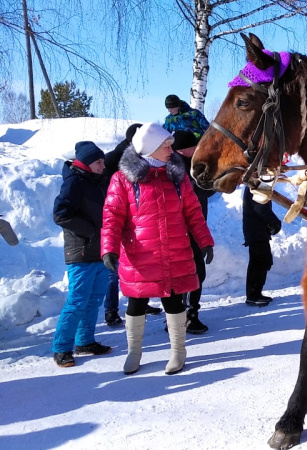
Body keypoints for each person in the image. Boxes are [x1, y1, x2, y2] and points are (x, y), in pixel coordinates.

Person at [101, 122, 215, 375]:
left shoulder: (177, 176)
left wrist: (205, 240)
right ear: (151, 148)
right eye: (165, 145)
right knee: (136, 304)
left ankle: (178, 352)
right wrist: (108, 248)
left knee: (174, 302)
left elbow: (193, 212)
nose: (170, 150)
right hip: (141, 255)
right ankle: (134, 352)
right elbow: (112, 216)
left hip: (175, 251)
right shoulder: (123, 179)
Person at [51, 141, 112, 367]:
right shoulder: (74, 182)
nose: (102, 166)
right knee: (77, 301)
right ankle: (61, 348)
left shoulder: (99, 182)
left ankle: (85, 341)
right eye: (98, 162)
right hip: (81, 250)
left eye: (103, 162)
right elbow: (60, 214)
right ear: (86, 162)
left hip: (100, 250)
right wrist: (92, 233)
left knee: (95, 299)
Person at [101, 123, 163, 327]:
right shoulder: (114, 160)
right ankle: (111, 310)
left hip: (136, 223)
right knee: (114, 273)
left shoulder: (146, 161)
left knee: (138, 272)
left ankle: (141, 303)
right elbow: (109, 194)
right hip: (119, 218)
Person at [171, 130, 215, 333]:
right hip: (184, 233)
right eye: (193, 146)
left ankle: (180, 316)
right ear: (181, 149)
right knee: (192, 275)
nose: (197, 148)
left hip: (195, 230)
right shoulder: (175, 169)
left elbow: (202, 191)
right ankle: (187, 316)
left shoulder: (189, 166)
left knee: (195, 274)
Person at [242, 187, 283, 306]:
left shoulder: (255, 185)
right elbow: (260, 208)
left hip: (256, 230)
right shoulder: (254, 187)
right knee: (261, 261)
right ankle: (253, 295)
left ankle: (254, 294)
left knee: (258, 261)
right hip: (256, 231)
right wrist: (275, 222)